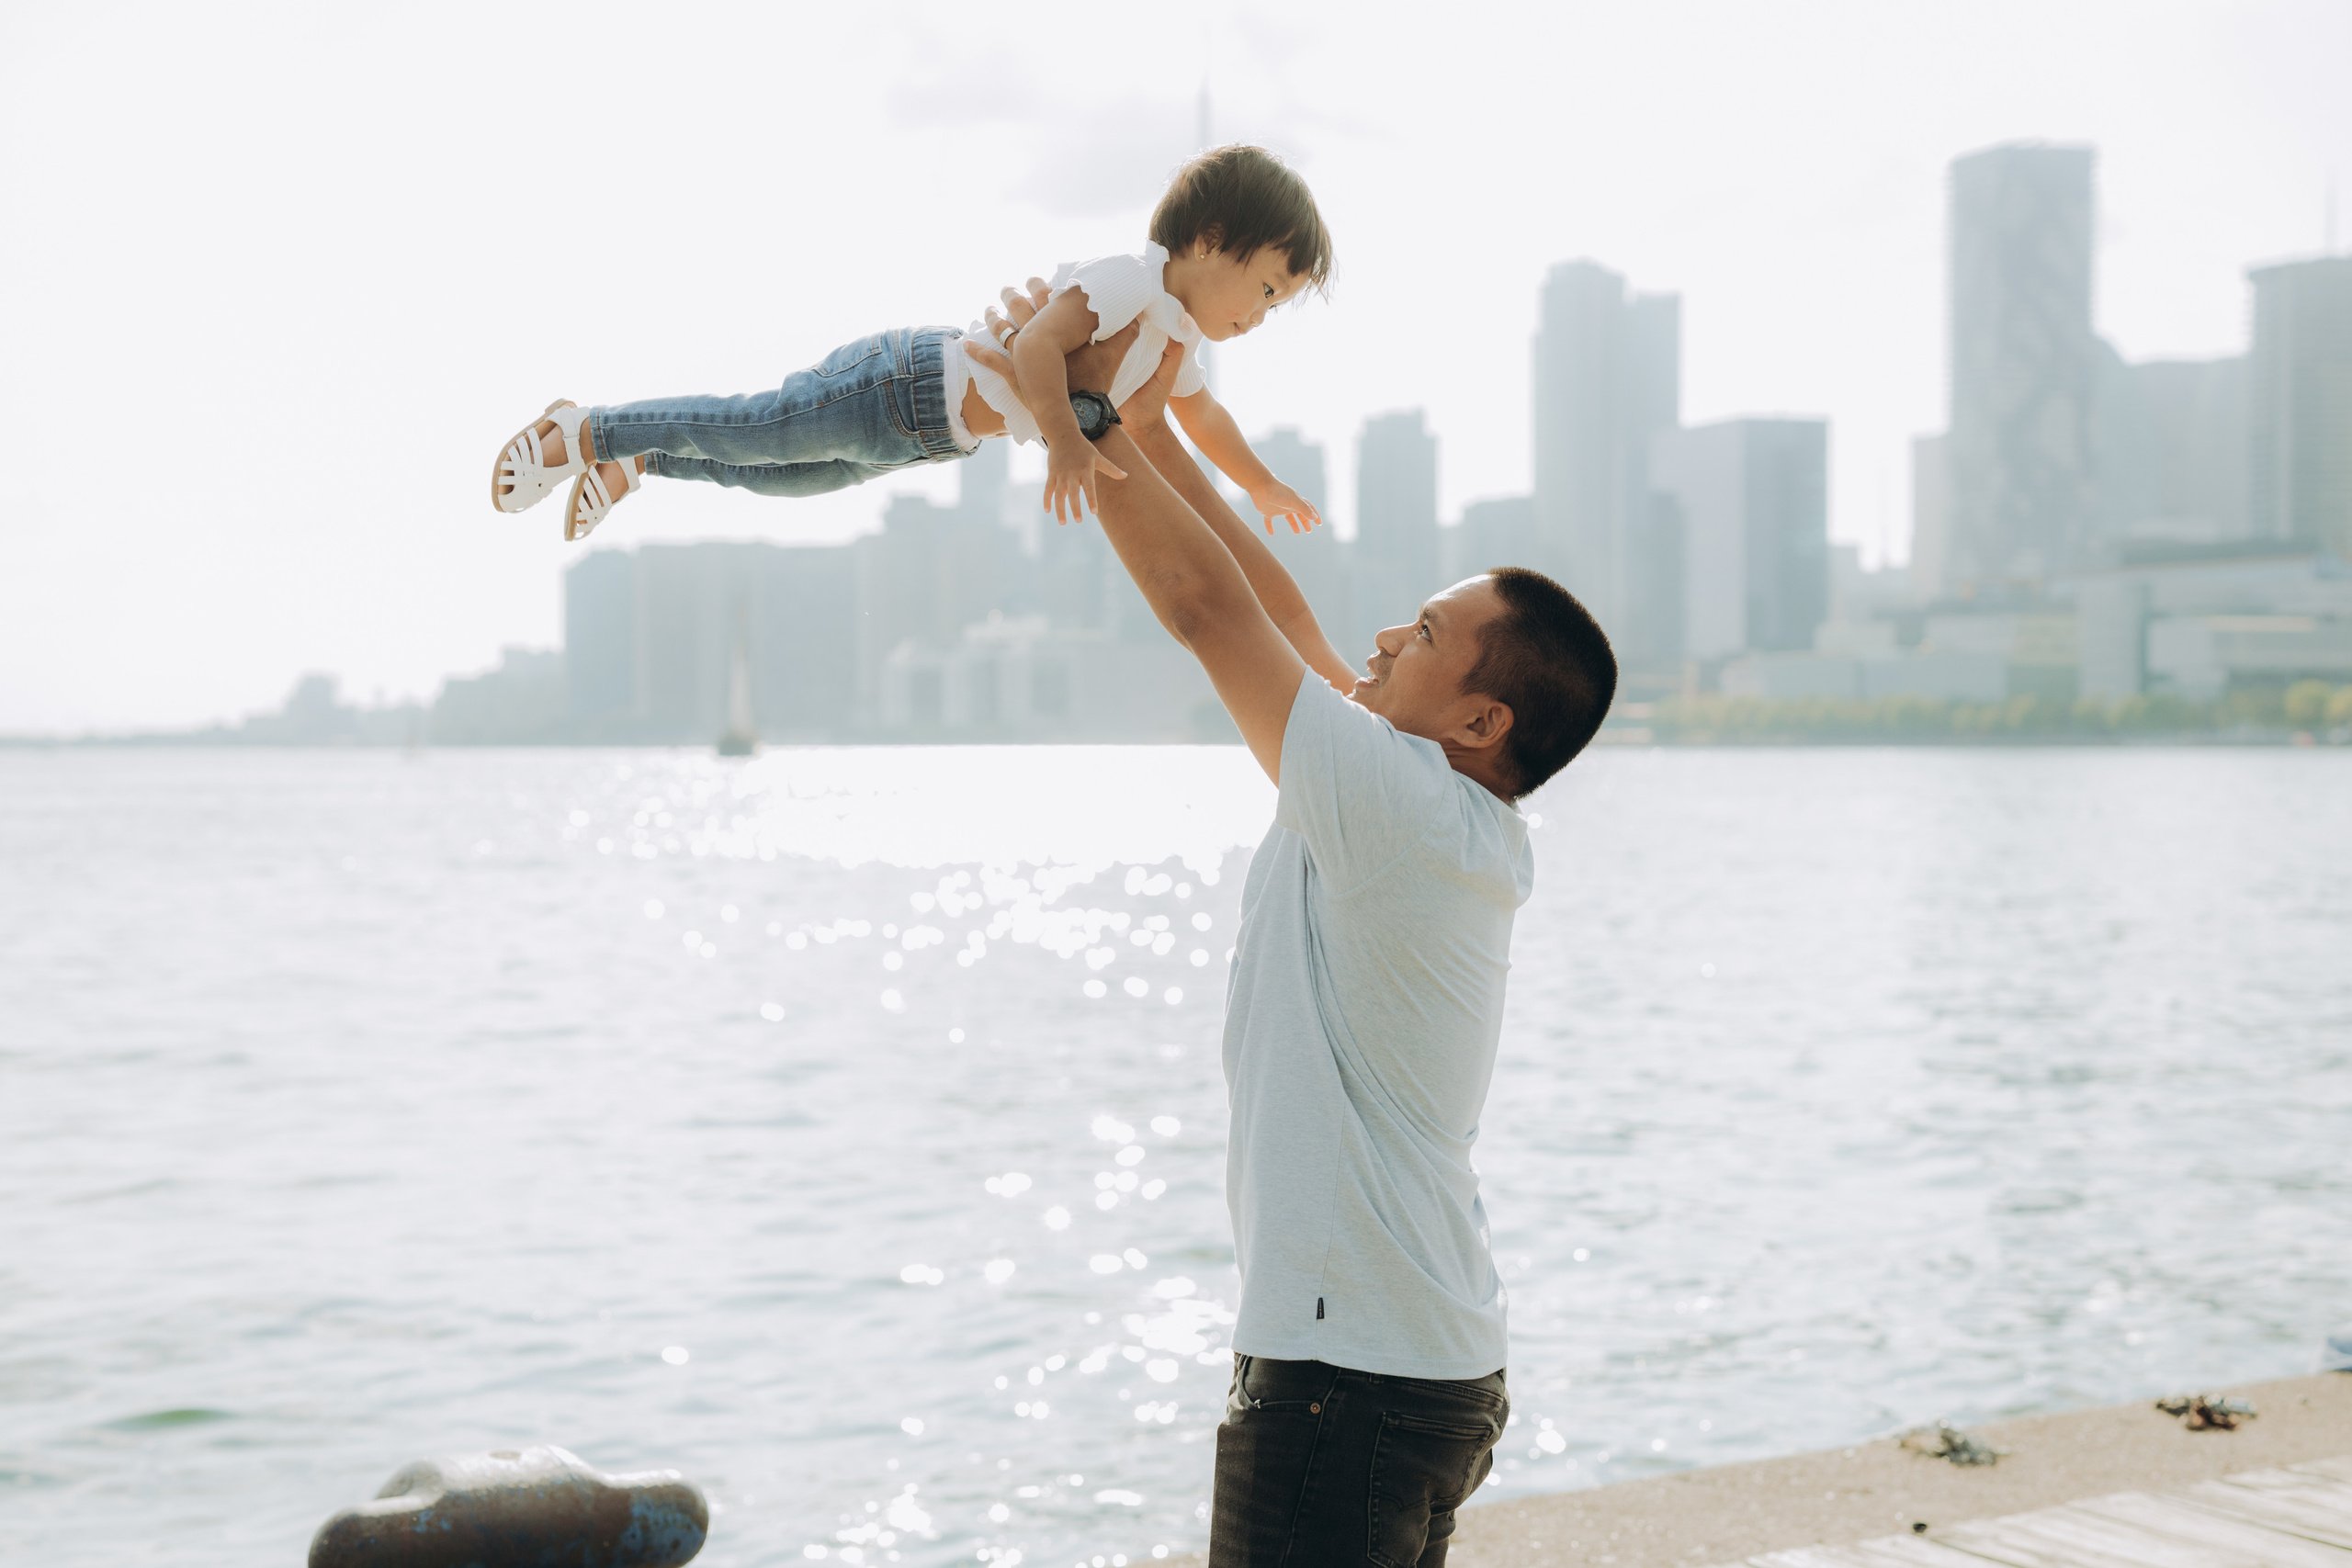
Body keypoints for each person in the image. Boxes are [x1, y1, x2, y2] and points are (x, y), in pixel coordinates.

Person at [967, 295, 1618, 1566]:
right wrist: (1143, 433)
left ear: (1481, 721)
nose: (1385, 634)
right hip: (1418, 1364)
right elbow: (1276, 611)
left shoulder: (1397, 808)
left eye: (1424, 634)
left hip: (1347, 1377)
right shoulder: (1429, 808)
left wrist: (1078, 412)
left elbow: (1212, 612)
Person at [484, 145, 1331, 541]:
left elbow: (1206, 421)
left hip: (932, 435)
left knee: (787, 482)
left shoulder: (1175, 346)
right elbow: (1035, 346)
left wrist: (1262, 486)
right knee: (761, 429)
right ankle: (588, 429)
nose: (1260, 315)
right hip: (906, 382)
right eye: (1266, 288)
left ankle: (640, 462)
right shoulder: (1130, 284)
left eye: (1278, 305)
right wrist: (1067, 445)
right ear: (1212, 238)